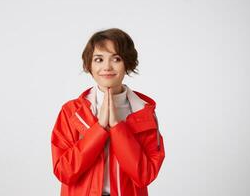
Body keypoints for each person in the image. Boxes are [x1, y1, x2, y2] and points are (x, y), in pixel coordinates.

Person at [50, 28, 165, 196]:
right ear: (89, 64)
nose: (107, 67)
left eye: (116, 58)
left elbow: (144, 175)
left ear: (127, 63)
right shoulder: (71, 112)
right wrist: (100, 128)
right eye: (99, 59)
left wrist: (118, 128)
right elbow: (64, 171)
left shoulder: (144, 113)